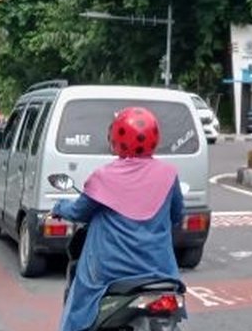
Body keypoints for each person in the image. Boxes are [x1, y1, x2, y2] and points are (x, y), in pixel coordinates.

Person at [50, 107, 185, 331]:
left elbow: (78, 212)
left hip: (111, 271)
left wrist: (58, 206)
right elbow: (177, 216)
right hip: (161, 270)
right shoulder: (169, 174)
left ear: (116, 139)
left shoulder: (104, 177)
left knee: (79, 301)